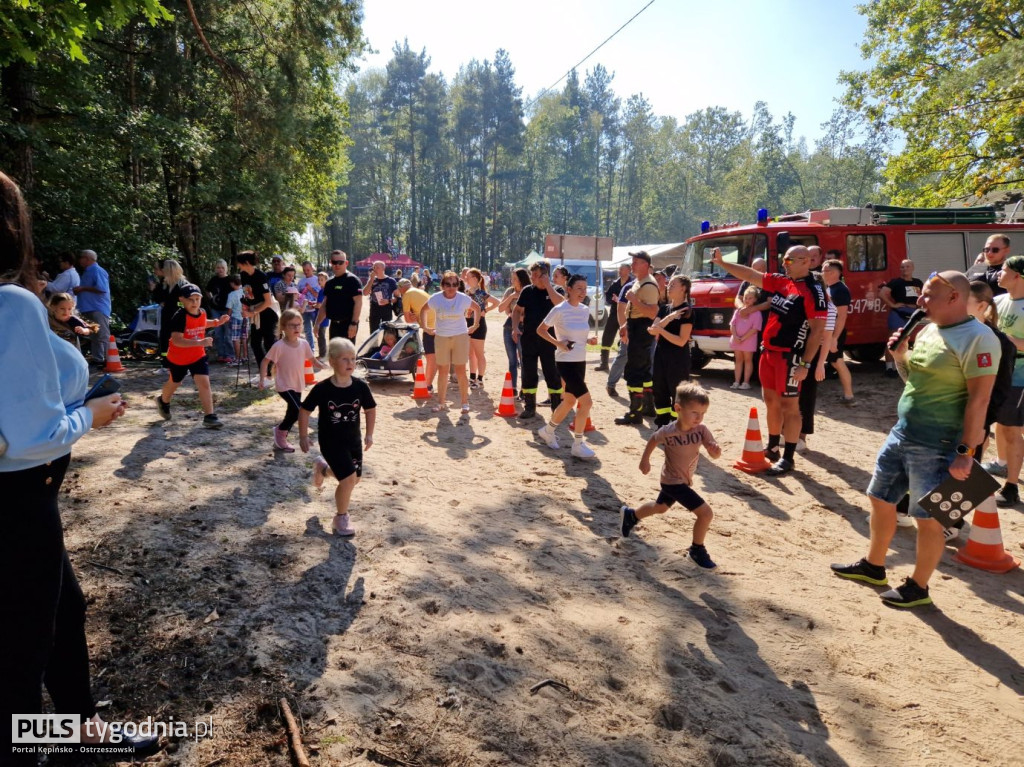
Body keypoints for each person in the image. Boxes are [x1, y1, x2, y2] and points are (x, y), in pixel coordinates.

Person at [0, 170, 158, 764]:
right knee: (23, 646)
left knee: (65, 612)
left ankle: (81, 735)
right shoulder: (10, 304)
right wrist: (89, 414)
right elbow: (31, 436)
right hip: (19, 498)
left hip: (24, 496)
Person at [831, 271, 1000, 608]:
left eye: (927, 296)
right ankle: (874, 566)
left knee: (928, 519)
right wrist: (900, 357)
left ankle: (918, 587)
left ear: (954, 297)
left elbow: (979, 400)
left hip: (939, 446)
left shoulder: (979, 338)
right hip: (902, 433)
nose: (920, 302)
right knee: (879, 498)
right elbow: (913, 381)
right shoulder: (928, 330)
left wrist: (966, 452)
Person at [710, 245, 827, 475]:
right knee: (771, 401)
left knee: (791, 408)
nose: (785, 264)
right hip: (769, 352)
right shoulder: (782, 281)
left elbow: (817, 331)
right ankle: (773, 448)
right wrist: (723, 264)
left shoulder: (814, 291)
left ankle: (789, 457)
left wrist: (805, 364)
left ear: (806, 261)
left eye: (790, 260)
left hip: (791, 356)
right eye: (784, 259)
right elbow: (751, 275)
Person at [619, 383, 722, 569]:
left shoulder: (701, 430)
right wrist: (645, 460)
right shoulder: (668, 431)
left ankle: (631, 515)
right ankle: (697, 549)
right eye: (694, 413)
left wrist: (715, 450)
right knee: (706, 514)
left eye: (703, 413)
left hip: (683, 480)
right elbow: (653, 439)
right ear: (678, 409)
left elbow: (714, 452)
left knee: (660, 507)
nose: (699, 418)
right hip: (672, 482)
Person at [299, 338, 376, 537]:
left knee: (354, 479)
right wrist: (303, 436)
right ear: (332, 361)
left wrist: (369, 434)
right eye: (344, 359)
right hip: (331, 441)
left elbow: (370, 409)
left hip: (353, 441)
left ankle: (323, 469)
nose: (350, 363)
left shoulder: (360, 386)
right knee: (348, 480)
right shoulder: (323, 389)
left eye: (353, 359)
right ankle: (341, 518)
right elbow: (305, 410)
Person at [535, 274, 598, 459]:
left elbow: (579, 334)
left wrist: (588, 339)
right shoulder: (559, 309)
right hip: (565, 361)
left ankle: (548, 430)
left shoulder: (585, 309)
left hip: (580, 360)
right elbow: (541, 330)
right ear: (568, 289)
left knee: (569, 401)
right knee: (586, 402)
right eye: (579, 288)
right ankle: (578, 443)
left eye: (585, 289)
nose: (582, 292)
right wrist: (558, 343)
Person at [155, 283, 229, 428]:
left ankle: (209, 416)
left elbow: (201, 323)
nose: (194, 303)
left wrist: (216, 322)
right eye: (191, 299)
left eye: (197, 299)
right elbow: (177, 340)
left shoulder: (201, 312)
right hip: (179, 358)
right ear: (182, 299)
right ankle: (163, 401)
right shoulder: (179, 317)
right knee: (175, 382)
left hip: (197, 356)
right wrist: (201, 342)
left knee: (204, 382)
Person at [986, 255, 1024, 507]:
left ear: (1018, 276)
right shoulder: (997, 302)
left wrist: (1007, 341)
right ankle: (1001, 464)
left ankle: (1012, 486)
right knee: (997, 424)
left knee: (1011, 429)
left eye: (1004, 270)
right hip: (994, 376)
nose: (998, 273)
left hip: (1018, 376)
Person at [260, 308, 324, 452]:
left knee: (292, 412)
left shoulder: (304, 343)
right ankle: (281, 432)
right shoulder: (279, 346)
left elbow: (312, 360)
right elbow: (265, 361)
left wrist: (324, 365)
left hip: (298, 385)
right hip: (284, 385)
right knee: (299, 410)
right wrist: (262, 379)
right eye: (292, 325)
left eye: (298, 325)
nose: (296, 328)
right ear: (283, 327)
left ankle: (280, 433)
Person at [421, 271, 480, 415]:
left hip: (460, 336)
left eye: (455, 284)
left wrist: (475, 324)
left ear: (458, 285)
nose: (451, 287)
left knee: (460, 370)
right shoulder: (436, 298)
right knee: (443, 371)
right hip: (441, 336)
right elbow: (423, 310)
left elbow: (477, 308)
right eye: (448, 284)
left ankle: (465, 403)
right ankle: (441, 403)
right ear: (442, 285)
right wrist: (425, 327)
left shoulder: (462, 298)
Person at [513, 260, 565, 419]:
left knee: (552, 372)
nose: (532, 278)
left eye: (536, 275)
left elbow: (561, 305)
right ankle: (529, 406)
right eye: (531, 275)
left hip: (550, 340)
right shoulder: (527, 291)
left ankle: (556, 406)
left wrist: (548, 286)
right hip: (529, 339)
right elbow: (517, 310)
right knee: (528, 372)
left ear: (545, 276)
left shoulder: (557, 290)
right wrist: (515, 327)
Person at [614, 250, 660, 425]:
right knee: (644, 370)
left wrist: (633, 299)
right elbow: (637, 310)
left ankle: (635, 413)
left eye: (636, 262)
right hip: (636, 326)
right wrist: (626, 324)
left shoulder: (648, 285)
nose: (632, 264)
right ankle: (648, 407)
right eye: (632, 261)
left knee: (634, 372)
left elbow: (652, 312)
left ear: (646, 265)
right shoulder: (640, 281)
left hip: (641, 330)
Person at [649, 275, 695, 425]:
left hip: (678, 359)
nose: (669, 287)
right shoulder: (664, 309)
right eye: (669, 284)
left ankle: (677, 426)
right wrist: (668, 318)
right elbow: (652, 330)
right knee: (659, 390)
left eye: (674, 284)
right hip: (661, 356)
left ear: (683, 288)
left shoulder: (687, 311)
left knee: (677, 393)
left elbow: (682, 341)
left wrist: (661, 331)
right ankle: (662, 425)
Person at [235, 250, 278, 382]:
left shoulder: (261, 276)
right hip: (255, 310)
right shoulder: (243, 275)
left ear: (246, 263)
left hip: (267, 311)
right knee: (254, 343)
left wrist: (252, 312)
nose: (238, 265)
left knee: (269, 343)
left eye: (239, 263)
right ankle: (263, 373)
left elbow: (268, 301)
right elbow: (247, 293)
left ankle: (271, 375)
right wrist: (246, 305)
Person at [880, 259, 924, 377]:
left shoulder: (918, 282)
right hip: (898, 314)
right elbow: (882, 293)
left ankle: (909, 367)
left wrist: (920, 306)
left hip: (913, 314)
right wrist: (893, 305)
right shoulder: (896, 282)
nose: (905, 269)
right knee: (893, 341)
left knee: (911, 341)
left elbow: (923, 296)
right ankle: (889, 368)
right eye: (902, 267)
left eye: (907, 267)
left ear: (912, 268)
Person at [821, 258, 855, 404]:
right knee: (835, 362)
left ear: (835, 273)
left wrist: (834, 337)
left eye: (825, 270)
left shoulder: (840, 290)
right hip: (827, 331)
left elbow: (841, 317)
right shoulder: (829, 287)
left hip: (835, 332)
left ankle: (849, 396)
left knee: (838, 361)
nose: (822, 272)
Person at [73, 249, 111, 365]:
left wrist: (82, 288)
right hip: (89, 307)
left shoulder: (96, 270)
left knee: (101, 335)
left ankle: (108, 359)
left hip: (97, 307)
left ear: (88, 259)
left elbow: (102, 289)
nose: (79, 260)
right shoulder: (88, 271)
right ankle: (98, 359)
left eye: (81, 257)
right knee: (94, 334)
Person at [316, 250, 363, 342]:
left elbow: (358, 302)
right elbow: (324, 304)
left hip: (348, 325)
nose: (337, 265)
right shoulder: (329, 282)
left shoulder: (353, 280)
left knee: (346, 355)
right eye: (334, 262)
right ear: (331, 263)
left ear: (346, 263)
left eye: (340, 262)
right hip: (333, 325)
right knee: (334, 355)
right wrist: (317, 323)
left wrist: (354, 323)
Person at [465, 267, 499, 390]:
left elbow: (496, 302)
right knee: (471, 354)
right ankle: (472, 377)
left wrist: (485, 310)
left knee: (479, 353)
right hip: (468, 323)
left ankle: (479, 379)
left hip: (479, 324)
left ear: (475, 279)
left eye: (468, 277)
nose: (466, 279)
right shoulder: (467, 292)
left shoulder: (481, 293)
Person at [399, 277, 434, 390]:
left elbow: (408, 320)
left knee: (431, 357)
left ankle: (427, 385)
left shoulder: (406, 295)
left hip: (430, 327)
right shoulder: (420, 291)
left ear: (401, 289)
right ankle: (429, 384)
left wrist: (413, 316)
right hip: (439, 324)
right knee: (435, 357)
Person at [499, 268, 529, 398]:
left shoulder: (529, 291)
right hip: (509, 327)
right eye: (512, 278)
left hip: (525, 329)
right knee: (512, 361)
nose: (512, 280)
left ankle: (525, 389)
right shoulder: (509, 291)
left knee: (525, 361)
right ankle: (513, 389)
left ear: (522, 279)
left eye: (515, 278)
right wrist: (511, 297)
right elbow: (501, 308)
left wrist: (521, 317)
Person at [596, 263, 631, 371]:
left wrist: (621, 300)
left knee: (626, 339)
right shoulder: (615, 283)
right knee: (607, 337)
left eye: (622, 269)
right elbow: (607, 296)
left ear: (628, 271)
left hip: (627, 316)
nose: (619, 271)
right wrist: (613, 299)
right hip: (613, 314)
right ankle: (604, 363)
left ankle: (627, 366)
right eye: (619, 269)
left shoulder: (632, 284)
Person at [158, 258, 188, 368]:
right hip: (166, 316)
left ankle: (182, 364)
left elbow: (185, 303)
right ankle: (166, 363)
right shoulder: (166, 284)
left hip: (178, 317)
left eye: (165, 269)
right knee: (165, 338)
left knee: (179, 340)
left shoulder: (183, 285)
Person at [730, 286, 762, 389]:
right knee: (738, 360)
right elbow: (732, 324)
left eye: (750, 298)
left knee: (748, 360)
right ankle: (736, 381)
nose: (747, 300)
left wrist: (743, 338)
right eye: (745, 298)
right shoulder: (738, 311)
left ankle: (746, 382)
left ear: (755, 299)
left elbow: (755, 328)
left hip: (748, 341)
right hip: (736, 340)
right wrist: (735, 336)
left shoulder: (757, 313)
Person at [206, 259, 234, 363]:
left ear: (226, 268)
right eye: (218, 267)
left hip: (227, 309)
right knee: (218, 333)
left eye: (222, 267)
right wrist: (211, 299)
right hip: (216, 309)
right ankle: (221, 354)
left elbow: (236, 291)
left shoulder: (230, 280)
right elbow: (207, 290)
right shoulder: (213, 279)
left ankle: (230, 355)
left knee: (228, 333)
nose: (220, 270)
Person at [363, 260, 398, 333]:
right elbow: (365, 293)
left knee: (387, 331)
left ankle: (385, 344)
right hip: (374, 308)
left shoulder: (391, 281)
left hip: (386, 309)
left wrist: (388, 301)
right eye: (374, 267)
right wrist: (371, 279)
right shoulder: (371, 280)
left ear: (383, 269)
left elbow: (397, 298)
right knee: (373, 332)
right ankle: (374, 344)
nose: (374, 269)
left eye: (377, 267)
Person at [298, 261, 321, 354]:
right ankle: (311, 350)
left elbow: (319, 295)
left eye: (308, 269)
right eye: (304, 270)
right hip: (305, 310)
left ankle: (322, 352)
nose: (306, 272)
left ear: (312, 269)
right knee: (307, 331)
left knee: (318, 331)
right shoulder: (301, 282)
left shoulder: (317, 280)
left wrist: (310, 289)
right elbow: (298, 297)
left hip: (316, 309)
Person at [225, 274, 244, 363]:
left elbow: (230, 308)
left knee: (236, 338)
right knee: (244, 337)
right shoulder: (245, 292)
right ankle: (245, 357)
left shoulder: (232, 295)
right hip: (245, 317)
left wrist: (227, 318)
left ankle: (237, 358)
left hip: (236, 317)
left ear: (232, 284)